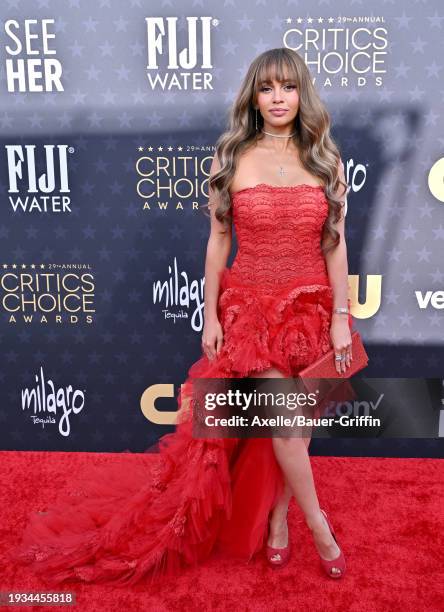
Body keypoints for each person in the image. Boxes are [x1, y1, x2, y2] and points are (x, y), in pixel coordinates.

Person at [11, 47, 353, 586]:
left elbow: (335, 245)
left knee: (300, 432)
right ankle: (322, 529)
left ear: (302, 93)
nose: (279, 97)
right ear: (254, 97)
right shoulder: (232, 157)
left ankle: (280, 519)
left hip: (312, 309)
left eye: (288, 86)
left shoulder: (326, 160)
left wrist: (340, 314)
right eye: (267, 88)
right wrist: (211, 315)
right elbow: (218, 243)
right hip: (251, 311)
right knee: (286, 425)